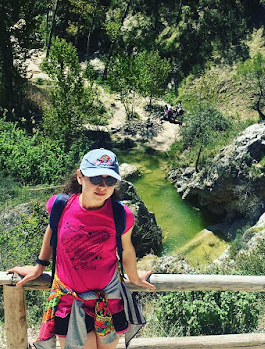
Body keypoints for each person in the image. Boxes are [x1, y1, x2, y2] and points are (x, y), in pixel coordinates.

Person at [7, 148, 156, 349]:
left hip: (108, 300)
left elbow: (127, 250)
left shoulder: (122, 215)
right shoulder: (59, 205)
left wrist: (135, 277)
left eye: (109, 180)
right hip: (70, 301)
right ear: (80, 176)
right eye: (95, 178)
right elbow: (51, 232)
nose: (102, 186)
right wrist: (39, 267)